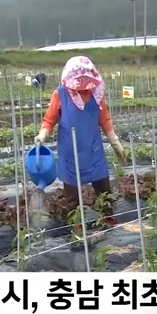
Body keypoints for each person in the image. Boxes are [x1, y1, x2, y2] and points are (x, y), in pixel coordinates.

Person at [35, 56, 125, 226]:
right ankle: (77, 228)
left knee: (104, 192)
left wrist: (115, 142)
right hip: (71, 153)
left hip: (94, 151)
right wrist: (43, 134)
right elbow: (49, 119)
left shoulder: (96, 94)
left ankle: (109, 222)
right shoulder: (60, 94)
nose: (83, 87)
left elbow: (104, 119)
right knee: (72, 199)